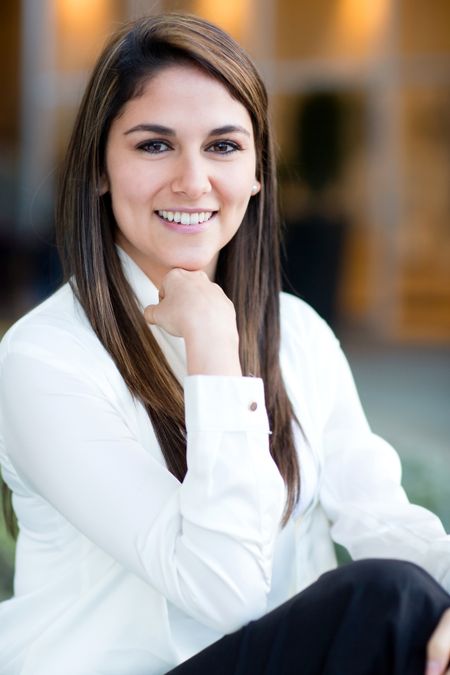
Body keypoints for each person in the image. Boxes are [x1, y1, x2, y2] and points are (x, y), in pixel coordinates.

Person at [0, 13, 449, 675]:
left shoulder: (296, 330)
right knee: (389, 601)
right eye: (154, 145)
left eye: (223, 146)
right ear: (98, 168)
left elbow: (378, 513)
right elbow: (223, 589)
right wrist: (215, 350)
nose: (192, 179)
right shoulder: (45, 360)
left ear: (258, 172)